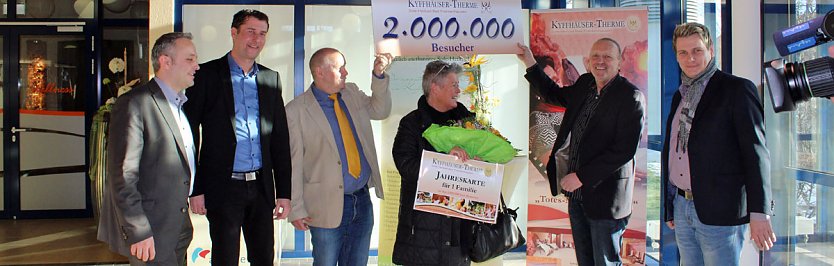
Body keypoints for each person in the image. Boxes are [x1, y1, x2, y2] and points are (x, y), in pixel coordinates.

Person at [518, 39, 645, 266]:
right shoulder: (586, 83)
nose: (600, 61)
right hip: (577, 198)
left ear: (620, 62)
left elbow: (623, 151)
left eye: (607, 57)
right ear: (588, 61)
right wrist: (529, 61)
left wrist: (581, 177)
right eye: (596, 56)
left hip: (606, 200)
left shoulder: (630, 97)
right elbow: (553, 94)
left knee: (604, 262)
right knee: (584, 260)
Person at [183, 9, 292, 265]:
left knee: (264, 258)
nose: (256, 39)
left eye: (262, 33)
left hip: (261, 187)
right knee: (225, 259)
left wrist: (284, 192)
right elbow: (189, 135)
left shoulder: (270, 78)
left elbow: (279, 139)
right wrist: (195, 189)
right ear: (234, 33)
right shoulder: (206, 76)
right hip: (223, 187)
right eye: (250, 31)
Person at [662, 22, 775, 265]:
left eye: (697, 51)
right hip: (683, 207)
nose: (690, 58)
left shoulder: (736, 89)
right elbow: (674, 151)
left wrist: (759, 212)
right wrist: (670, 204)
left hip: (721, 212)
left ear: (710, 50)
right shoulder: (680, 94)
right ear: (676, 56)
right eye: (683, 52)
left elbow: (756, 153)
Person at [97, 32, 199, 265]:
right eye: (190, 59)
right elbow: (123, 175)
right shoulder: (135, 103)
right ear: (165, 61)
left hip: (178, 225)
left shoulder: (179, 104)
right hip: (152, 229)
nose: (197, 66)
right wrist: (139, 230)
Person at [286, 48, 393, 265]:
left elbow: (380, 111)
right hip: (324, 205)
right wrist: (296, 207)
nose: (346, 72)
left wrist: (379, 76)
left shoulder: (351, 93)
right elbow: (293, 163)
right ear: (320, 72)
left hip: (361, 201)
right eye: (339, 67)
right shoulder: (296, 110)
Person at [391, 60, 476, 265]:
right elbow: (405, 165)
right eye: (454, 84)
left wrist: (479, 162)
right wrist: (446, 161)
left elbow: (482, 165)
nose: (459, 90)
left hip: (459, 227)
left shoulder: (468, 122)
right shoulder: (412, 123)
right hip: (421, 229)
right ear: (435, 88)